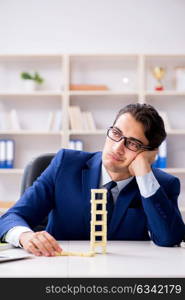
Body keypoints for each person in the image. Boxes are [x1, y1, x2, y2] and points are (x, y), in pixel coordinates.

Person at [0, 103, 184, 256]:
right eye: (116, 134)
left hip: (124, 275)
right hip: (61, 267)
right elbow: (11, 218)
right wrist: (25, 236)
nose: (117, 148)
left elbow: (170, 238)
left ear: (150, 154)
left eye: (133, 144)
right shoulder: (65, 164)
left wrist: (145, 178)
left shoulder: (162, 185)